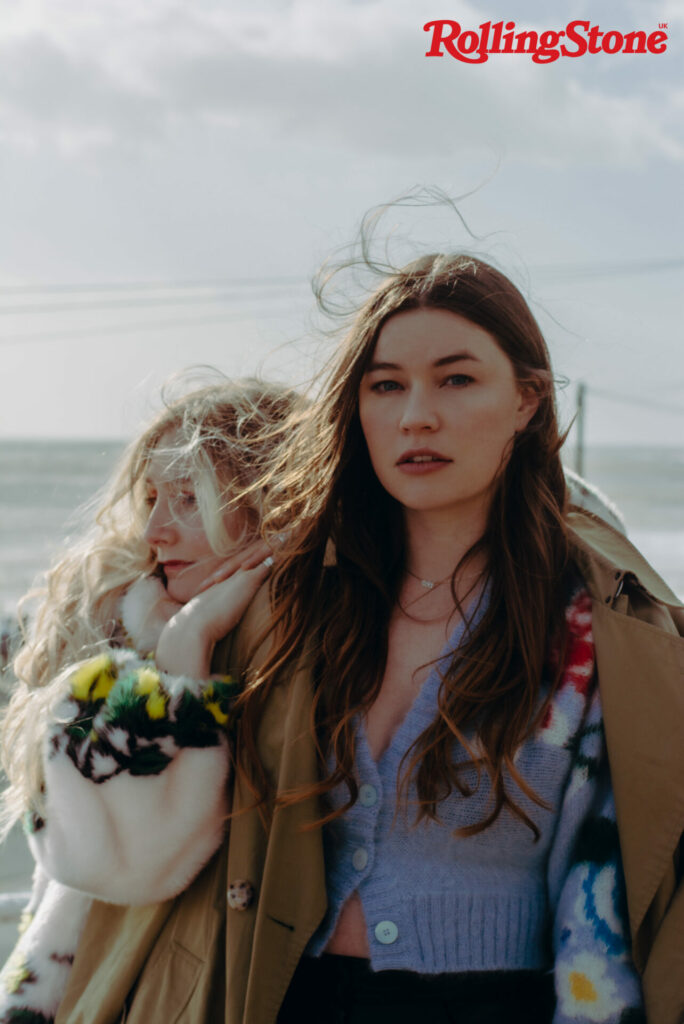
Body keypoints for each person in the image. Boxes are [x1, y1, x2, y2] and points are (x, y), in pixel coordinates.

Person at [4, 255, 684, 1024]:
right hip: (280, 997)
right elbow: (113, 863)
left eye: (456, 380)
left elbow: (612, 904)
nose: (415, 416)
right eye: (386, 385)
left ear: (527, 400)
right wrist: (183, 654)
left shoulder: (596, 624)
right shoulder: (293, 606)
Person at [0, 375, 298, 1023]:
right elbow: (98, 862)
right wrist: (181, 653)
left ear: (269, 501)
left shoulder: (300, 646)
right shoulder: (119, 633)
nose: (156, 531)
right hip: (83, 991)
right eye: (151, 498)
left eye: (189, 499)